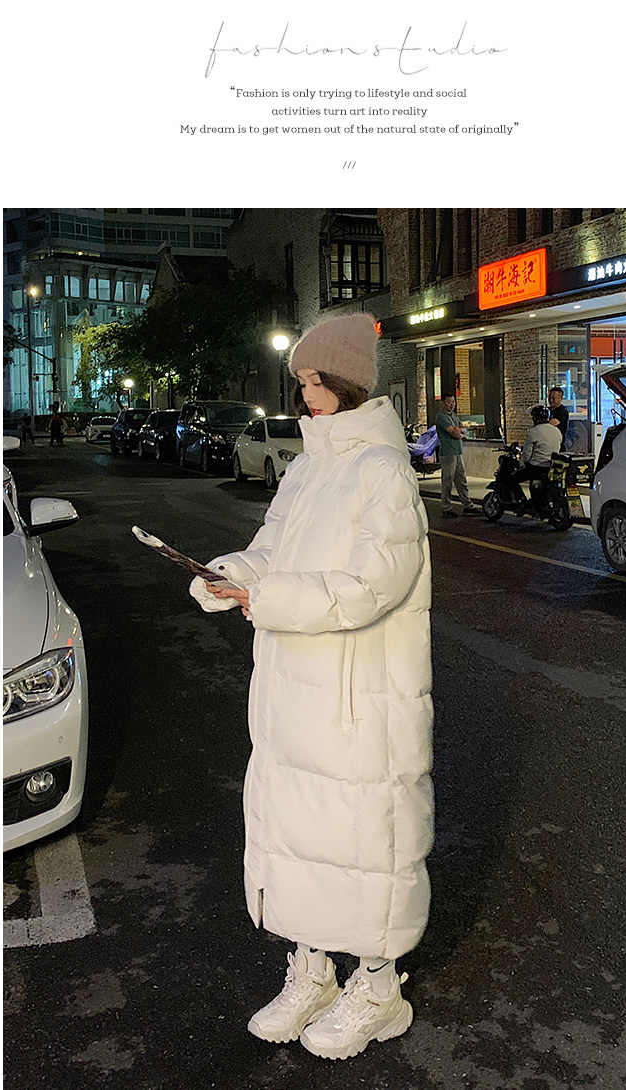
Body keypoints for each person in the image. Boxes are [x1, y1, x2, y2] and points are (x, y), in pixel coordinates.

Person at [189, 313, 433, 1061]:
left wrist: (271, 598)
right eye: (299, 380)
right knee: (301, 838)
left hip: (360, 701)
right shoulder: (306, 467)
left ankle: (379, 989)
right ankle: (312, 973)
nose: (302, 393)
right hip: (295, 691)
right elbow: (270, 549)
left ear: (346, 381)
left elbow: (373, 585)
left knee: (365, 842)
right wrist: (230, 576)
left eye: (312, 380)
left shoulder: (383, 470)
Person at [507, 405, 562, 507]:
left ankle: (523, 501)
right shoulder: (556, 431)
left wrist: (524, 463)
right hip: (551, 467)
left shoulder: (534, 431)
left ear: (535, 418)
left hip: (537, 467)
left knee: (512, 479)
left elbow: (527, 453)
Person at [434, 392, 475, 518]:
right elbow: (455, 432)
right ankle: (446, 507)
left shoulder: (454, 416)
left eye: (453, 401)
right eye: (449, 402)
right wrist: (458, 432)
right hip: (448, 453)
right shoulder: (442, 417)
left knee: (462, 480)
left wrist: (459, 431)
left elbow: (463, 429)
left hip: (458, 452)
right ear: (443, 403)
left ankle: (468, 506)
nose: (452, 404)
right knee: (447, 481)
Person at [547, 386, 569, 451]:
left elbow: (551, 424)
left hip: (558, 446)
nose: (551, 400)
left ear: (560, 398)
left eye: (553, 398)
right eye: (549, 398)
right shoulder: (547, 410)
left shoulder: (562, 412)